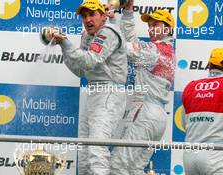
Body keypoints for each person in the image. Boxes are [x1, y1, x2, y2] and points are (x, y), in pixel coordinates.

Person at [47, 0, 127, 174]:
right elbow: (80, 70)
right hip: (94, 93)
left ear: (103, 16)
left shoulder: (108, 31)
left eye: (92, 14)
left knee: (96, 148)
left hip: (109, 93)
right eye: (84, 16)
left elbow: (90, 61)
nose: (87, 19)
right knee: (84, 150)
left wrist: (67, 43)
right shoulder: (87, 36)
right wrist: (63, 46)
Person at [108, 0, 176, 174]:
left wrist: (111, 23)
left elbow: (124, 48)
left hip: (145, 113)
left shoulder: (154, 50)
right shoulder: (167, 51)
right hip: (159, 117)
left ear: (168, 29)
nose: (151, 28)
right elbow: (132, 42)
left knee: (118, 165)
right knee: (135, 169)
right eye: (150, 25)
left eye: (156, 25)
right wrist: (129, 12)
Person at [181, 48, 223, 175]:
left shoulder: (190, 87)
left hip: (189, 156)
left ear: (210, 65)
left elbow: (185, 125)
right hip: (216, 154)